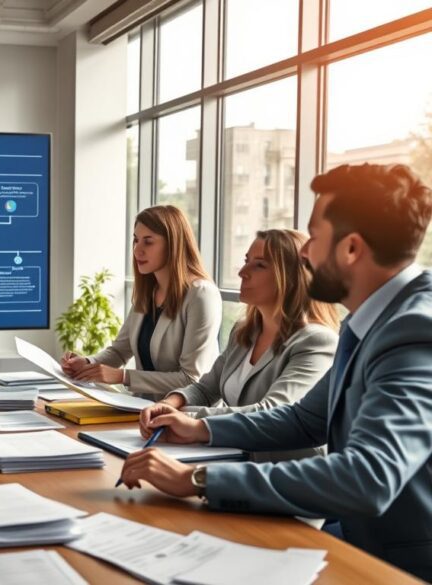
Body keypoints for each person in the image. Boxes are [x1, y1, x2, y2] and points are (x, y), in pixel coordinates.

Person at [120, 163, 432, 580]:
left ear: (352, 249)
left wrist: (198, 478)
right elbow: (306, 420)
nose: (304, 253)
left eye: (315, 237)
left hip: (400, 565)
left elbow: (368, 476)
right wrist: (200, 430)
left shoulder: (414, 330)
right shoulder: (369, 321)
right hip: (358, 542)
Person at [148, 229, 339, 461]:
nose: (242, 272)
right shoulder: (243, 331)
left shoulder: (316, 341)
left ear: (290, 277)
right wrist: (168, 404)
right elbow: (205, 388)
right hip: (231, 457)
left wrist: (189, 420)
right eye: (246, 261)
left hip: (284, 474)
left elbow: (271, 411)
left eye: (259, 265)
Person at [61, 205, 222, 396]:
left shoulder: (201, 295)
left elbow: (191, 379)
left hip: (185, 415)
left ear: (173, 244)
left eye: (148, 242)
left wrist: (123, 376)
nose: (137, 250)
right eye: (136, 241)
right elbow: (119, 352)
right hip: (142, 408)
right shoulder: (149, 291)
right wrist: (88, 363)